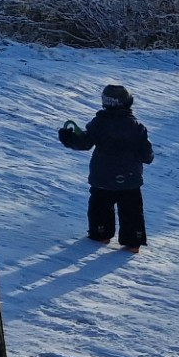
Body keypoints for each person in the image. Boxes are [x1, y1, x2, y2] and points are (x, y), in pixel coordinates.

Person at [58, 84, 154, 250]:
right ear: (128, 103)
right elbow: (147, 154)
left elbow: (85, 143)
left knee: (100, 207)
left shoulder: (99, 123)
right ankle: (133, 241)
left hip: (102, 177)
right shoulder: (136, 127)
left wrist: (69, 138)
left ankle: (101, 234)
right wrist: (146, 156)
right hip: (130, 178)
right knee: (131, 211)